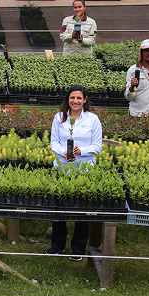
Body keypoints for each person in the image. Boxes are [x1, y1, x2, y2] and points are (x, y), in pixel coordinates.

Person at [48, 84, 103, 262]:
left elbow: (97, 146)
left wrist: (82, 151)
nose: (75, 101)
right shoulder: (59, 118)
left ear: (85, 100)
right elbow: (53, 142)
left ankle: (78, 248)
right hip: (62, 167)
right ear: (68, 99)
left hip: (84, 169)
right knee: (59, 206)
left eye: (79, 98)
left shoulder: (93, 120)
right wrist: (63, 151)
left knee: (82, 208)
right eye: (72, 98)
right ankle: (57, 245)